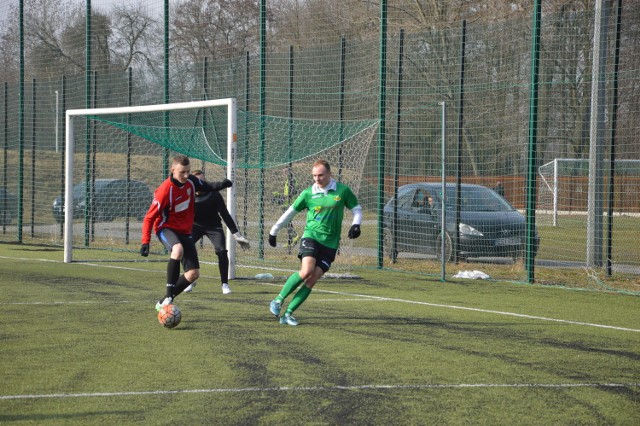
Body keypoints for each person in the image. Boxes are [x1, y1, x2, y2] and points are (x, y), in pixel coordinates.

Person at [267, 159, 362, 326]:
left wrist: (356, 225)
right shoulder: (308, 193)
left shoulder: (342, 191)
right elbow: (290, 212)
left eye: (320, 175)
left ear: (329, 174)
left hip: (331, 243)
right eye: (314, 176)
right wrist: (274, 231)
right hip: (311, 237)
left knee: (312, 279)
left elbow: (356, 209)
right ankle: (278, 300)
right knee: (306, 271)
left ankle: (288, 314)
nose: (317, 179)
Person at [140, 155, 233, 311]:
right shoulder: (165, 190)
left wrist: (221, 185)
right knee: (177, 249)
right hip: (166, 227)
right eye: (182, 172)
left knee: (193, 274)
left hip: (185, 231)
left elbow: (205, 185)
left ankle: (163, 301)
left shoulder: (191, 181)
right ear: (173, 170)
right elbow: (149, 217)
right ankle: (169, 297)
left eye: (188, 172)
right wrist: (145, 242)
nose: (185, 175)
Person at [185, 169, 250, 295]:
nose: (201, 183)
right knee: (184, 248)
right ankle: (190, 278)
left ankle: (224, 284)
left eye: (203, 181)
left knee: (221, 251)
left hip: (214, 227)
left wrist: (236, 234)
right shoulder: (188, 195)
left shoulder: (214, 194)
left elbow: (225, 215)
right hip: (195, 226)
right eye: (198, 181)